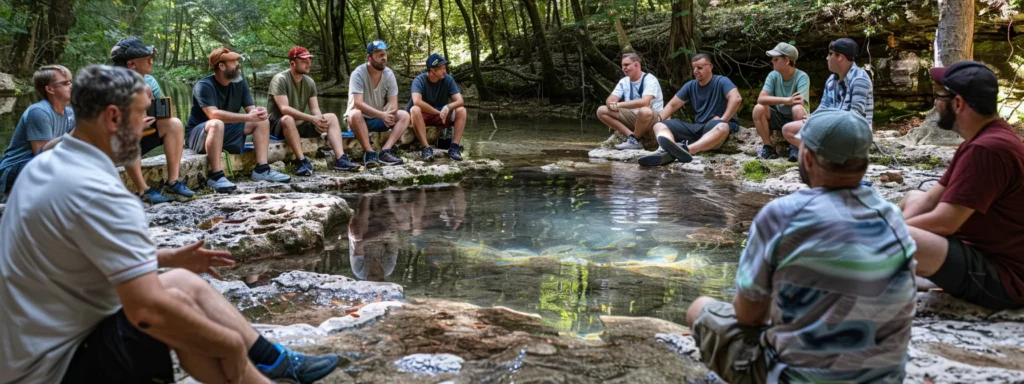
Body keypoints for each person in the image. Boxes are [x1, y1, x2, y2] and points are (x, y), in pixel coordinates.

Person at [0, 65, 340, 384]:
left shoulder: (47, 164)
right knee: (177, 315)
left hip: (24, 347)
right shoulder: (99, 192)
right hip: (56, 365)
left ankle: (270, 362)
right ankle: (250, 366)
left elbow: (71, 254)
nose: (147, 129)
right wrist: (231, 345)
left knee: (179, 280)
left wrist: (165, 258)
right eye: (141, 117)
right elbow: (147, 311)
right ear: (113, 116)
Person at [685, 109, 917, 383]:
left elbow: (748, 316)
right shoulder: (892, 218)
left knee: (699, 308)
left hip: (792, 377)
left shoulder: (782, 215)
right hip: (884, 377)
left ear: (807, 157)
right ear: (864, 162)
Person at [900, 61, 1024, 310]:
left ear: (958, 103)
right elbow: (929, 200)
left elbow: (945, 222)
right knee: (913, 197)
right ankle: (897, 269)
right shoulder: (983, 138)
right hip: (980, 253)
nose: (935, 104)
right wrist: (881, 230)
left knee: (901, 238)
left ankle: (871, 271)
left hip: (1004, 278)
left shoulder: (987, 149)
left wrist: (877, 235)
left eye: (939, 97)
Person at [185, 47, 291, 193]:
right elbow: (213, 114)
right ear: (222, 66)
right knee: (217, 123)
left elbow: (251, 110)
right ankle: (216, 176)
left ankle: (262, 169)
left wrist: (259, 112)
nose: (238, 64)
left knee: (261, 121)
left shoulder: (240, 82)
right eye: (233, 61)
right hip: (199, 135)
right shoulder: (203, 86)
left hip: (225, 131)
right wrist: (248, 117)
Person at [110, 36, 195, 203]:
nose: (151, 61)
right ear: (131, 64)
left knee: (174, 124)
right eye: (147, 58)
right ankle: (144, 190)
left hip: (141, 135)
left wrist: (149, 104)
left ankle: (173, 182)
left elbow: (163, 112)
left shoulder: (149, 80)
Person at [268, 46, 360, 174]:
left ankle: (341, 159)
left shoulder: (310, 82)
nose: (308, 63)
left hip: (299, 123)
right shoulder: (280, 79)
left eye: (309, 60)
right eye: (304, 61)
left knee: (332, 117)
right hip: (278, 125)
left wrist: (320, 121)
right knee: (287, 119)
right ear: (293, 63)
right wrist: (312, 119)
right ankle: (301, 161)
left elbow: (315, 109)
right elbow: (285, 109)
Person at [639, 53, 741, 166]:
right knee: (659, 125)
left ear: (710, 66)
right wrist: (656, 122)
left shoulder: (722, 81)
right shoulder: (690, 85)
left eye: (700, 68)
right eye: (694, 68)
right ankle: (671, 149)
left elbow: (736, 98)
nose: (696, 71)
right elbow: (672, 105)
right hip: (697, 127)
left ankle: (687, 150)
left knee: (722, 126)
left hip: (715, 127)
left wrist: (723, 119)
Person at [781, 37, 873, 162]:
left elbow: (855, 116)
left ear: (840, 57)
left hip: (853, 133)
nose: (827, 58)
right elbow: (823, 106)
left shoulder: (860, 79)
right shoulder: (831, 80)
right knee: (788, 130)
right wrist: (813, 117)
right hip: (831, 128)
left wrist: (825, 121)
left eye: (830, 54)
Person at [0, 65, 75, 200]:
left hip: (42, 165)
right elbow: (42, 155)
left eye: (70, 81)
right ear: (50, 89)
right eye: (65, 83)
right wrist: (78, 132)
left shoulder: (70, 112)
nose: (71, 85)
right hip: (15, 168)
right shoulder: (39, 112)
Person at [344, 40, 410, 167]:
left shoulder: (389, 74)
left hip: (380, 119)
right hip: (359, 120)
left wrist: (389, 113)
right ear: (369, 57)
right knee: (354, 114)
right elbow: (358, 103)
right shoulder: (358, 74)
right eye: (379, 55)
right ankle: (369, 153)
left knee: (404, 115)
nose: (383, 58)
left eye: (384, 54)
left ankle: (385, 151)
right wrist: (381, 115)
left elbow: (393, 103)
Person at [752, 42, 810, 159]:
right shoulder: (773, 75)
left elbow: (800, 102)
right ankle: (768, 147)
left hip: (798, 120)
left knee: (797, 108)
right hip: (779, 117)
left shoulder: (802, 76)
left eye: (776, 59)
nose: (772, 61)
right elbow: (761, 99)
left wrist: (789, 102)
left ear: (787, 60)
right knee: (758, 108)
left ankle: (796, 145)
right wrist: (786, 100)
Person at [406, 53, 467, 161]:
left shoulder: (448, 79)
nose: (445, 71)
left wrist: (447, 107)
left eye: (445, 67)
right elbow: (417, 102)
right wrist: (437, 112)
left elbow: (460, 101)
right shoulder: (419, 80)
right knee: (414, 109)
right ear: (432, 70)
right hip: (423, 116)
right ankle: (426, 148)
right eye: (442, 68)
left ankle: (454, 147)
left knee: (461, 110)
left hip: (442, 115)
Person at [597, 52, 665, 150]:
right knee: (601, 110)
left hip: (652, 121)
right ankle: (632, 137)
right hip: (634, 117)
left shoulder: (650, 79)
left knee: (645, 111)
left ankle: (636, 140)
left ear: (636, 65)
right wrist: (611, 104)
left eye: (626, 65)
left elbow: (645, 102)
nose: (623, 68)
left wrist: (619, 105)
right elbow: (610, 100)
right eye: (622, 66)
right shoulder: (624, 81)